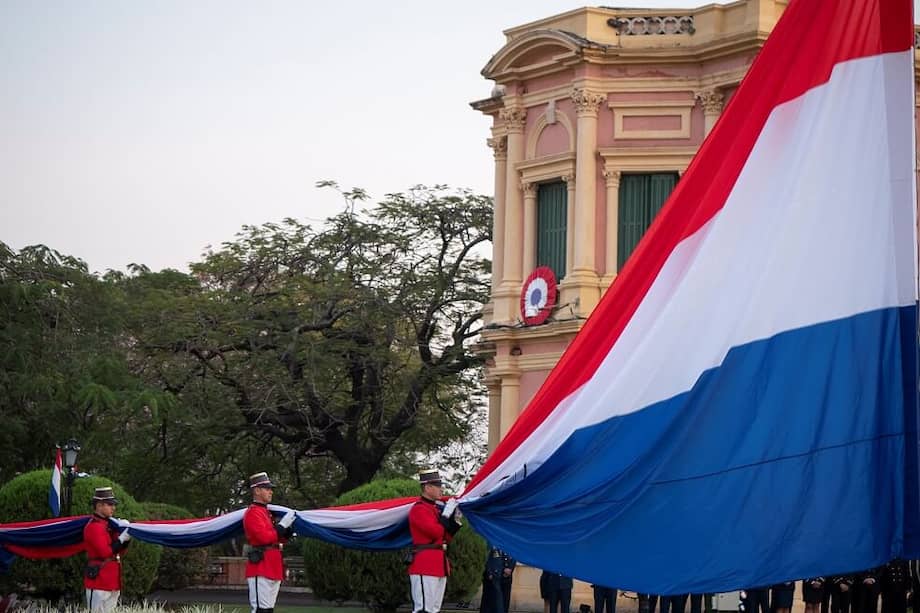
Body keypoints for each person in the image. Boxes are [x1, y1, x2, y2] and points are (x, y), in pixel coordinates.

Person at [407, 469, 463, 613]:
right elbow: (435, 531)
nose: (441, 489)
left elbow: (444, 538)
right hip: (424, 564)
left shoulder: (434, 509)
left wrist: (454, 522)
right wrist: (445, 515)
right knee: (424, 609)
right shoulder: (419, 509)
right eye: (437, 486)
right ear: (427, 487)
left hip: (438, 564)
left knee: (433, 609)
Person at [243, 472, 295, 613]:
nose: (271, 491)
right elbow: (264, 538)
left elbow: (276, 538)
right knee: (260, 610)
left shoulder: (267, 513)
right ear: (257, 490)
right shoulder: (253, 512)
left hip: (272, 563)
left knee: (268, 609)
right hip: (261, 565)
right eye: (267, 488)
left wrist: (287, 531)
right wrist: (281, 526)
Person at [83, 486, 131, 613]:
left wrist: (126, 538)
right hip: (99, 581)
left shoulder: (109, 525)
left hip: (112, 580)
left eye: (113, 504)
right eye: (109, 504)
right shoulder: (94, 527)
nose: (113, 508)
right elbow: (105, 552)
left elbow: (120, 552)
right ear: (99, 506)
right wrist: (122, 538)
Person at [480, 544, 515, 613]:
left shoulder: (510, 542)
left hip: (506, 578)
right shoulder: (490, 540)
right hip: (492, 577)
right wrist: (489, 572)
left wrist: (510, 568)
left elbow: (514, 556)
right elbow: (485, 557)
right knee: (490, 603)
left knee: (504, 602)